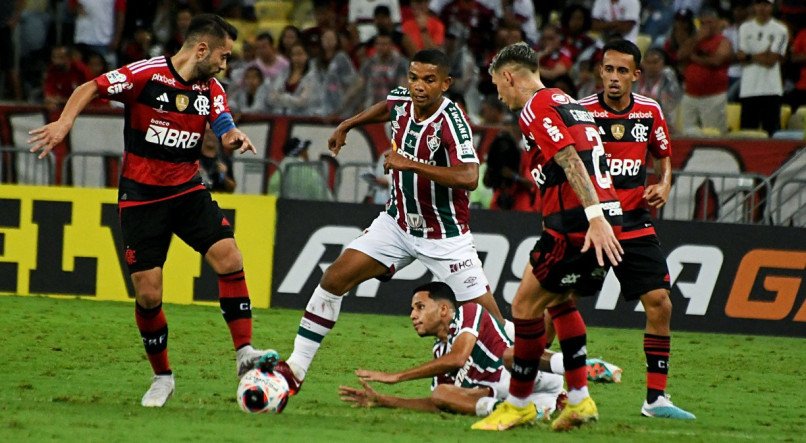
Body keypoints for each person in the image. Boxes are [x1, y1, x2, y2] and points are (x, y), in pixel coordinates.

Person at [28, 13, 271, 408]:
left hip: (188, 190)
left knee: (229, 256)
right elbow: (91, 86)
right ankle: (163, 377)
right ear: (202, 49)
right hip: (141, 198)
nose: (225, 65)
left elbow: (222, 122)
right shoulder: (147, 75)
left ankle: (245, 353)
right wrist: (63, 123)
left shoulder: (210, 87)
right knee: (148, 292)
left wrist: (233, 136)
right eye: (224, 56)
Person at [265, 49, 506, 401]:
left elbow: (469, 177)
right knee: (333, 278)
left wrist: (409, 164)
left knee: (493, 322)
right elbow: (386, 106)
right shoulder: (403, 101)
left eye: (428, 80)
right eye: (413, 78)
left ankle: (532, 380)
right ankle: (296, 369)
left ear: (445, 83)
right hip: (396, 224)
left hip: (444, 236)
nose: (418, 87)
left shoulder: (452, 122)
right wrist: (348, 124)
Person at [471, 42, 623, 432]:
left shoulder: (536, 107)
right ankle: (579, 400)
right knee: (559, 302)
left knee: (523, 306)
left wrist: (593, 217)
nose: (499, 96)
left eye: (497, 86)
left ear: (509, 76)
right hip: (591, 218)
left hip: (579, 223)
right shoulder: (570, 103)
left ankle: (519, 403)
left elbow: (570, 159)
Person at [578, 39, 696, 420]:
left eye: (622, 71)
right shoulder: (581, 113)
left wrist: (664, 184)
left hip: (634, 222)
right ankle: (531, 386)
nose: (614, 78)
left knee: (660, 303)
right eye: (608, 70)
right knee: (553, 307)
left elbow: (664, 157)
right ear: (600, 72)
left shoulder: (649, 112)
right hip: (592, 222)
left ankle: (656, 399)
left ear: (636, 75)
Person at [339, 282, 564, 418]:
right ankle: (516, 412)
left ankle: (580, 367)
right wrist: (383, 400)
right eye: (412, 310)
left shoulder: (469, 312)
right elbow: (438, 403)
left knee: (510, 354)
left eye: (420, 307)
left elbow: (458, 359)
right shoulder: (440, 353)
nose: (413, 316)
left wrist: (396, 377)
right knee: (441, 393)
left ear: (444, 309)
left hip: (531, 377)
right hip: (515, 399)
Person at [736, 0, 789, 135]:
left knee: (771, 135)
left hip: (771, 89)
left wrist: (750, 56)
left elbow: (771, 60)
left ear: (771, 7)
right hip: (749, 89)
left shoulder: (780, 30)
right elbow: (741, 58)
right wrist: (762, 55)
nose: (762, 8)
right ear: (754, 6)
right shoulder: (745, 28)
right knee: (747, 136)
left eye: (766, 4)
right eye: (759, 4)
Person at [677, 8, 732, 134]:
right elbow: (680, 55)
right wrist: (696, 39)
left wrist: (693, 57)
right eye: (703, 23)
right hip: (690, 94)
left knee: (714, 133)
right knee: (688, 132)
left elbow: (716, 61)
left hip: (713, 96)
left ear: (717, 23)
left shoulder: (723, 41)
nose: (706, 26)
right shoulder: (694, 40)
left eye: (710, 23)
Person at [634, 48, 682, 133]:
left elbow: (670, 105)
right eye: (648, 62)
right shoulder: (637, 80)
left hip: (664, 124)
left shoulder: (668, 79)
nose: (651, 66)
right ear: (643, 64)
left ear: (663, 64)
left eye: (655, 62)